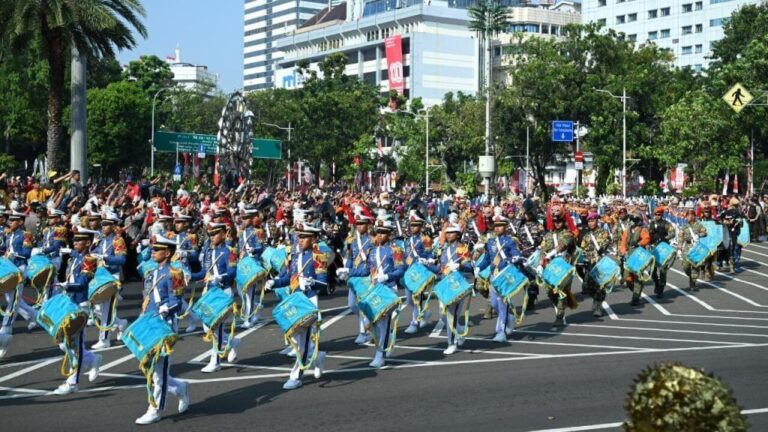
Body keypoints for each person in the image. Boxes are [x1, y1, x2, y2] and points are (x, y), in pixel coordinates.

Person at [134, 235, 190, 425]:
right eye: (153, 248)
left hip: (165, 325)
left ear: (167, 253)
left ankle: (155, 409)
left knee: (159, 371)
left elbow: (177, 301)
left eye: (157, 249)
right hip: (150, 323)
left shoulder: (175, 274)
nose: (153, 252)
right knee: (152, 368)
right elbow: (147, 298)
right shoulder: (150, 273)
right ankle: (180, 388)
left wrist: (167, 308)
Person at [267, 223, 328, 388]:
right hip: (294, 299)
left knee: (304, 340)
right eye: (299, 236)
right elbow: (288, 278)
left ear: (313, 238)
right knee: (295, 337)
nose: (300, 240)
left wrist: (311, 282)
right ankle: (317, 356)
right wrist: (274, 282)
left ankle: (296, 375)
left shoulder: (318, 256)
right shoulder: (293, 256)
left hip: (308, 300)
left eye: (304, 237)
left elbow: (323, 284)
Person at [51, 228, 103, 395]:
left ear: (87, 243)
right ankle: (93, 359)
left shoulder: (89, 260)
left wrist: (67, 286)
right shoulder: (74, 258)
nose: (74, 243)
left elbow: (82, 283)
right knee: (63, 344)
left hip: (80, 305)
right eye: (74, 241)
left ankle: (73, 382)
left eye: (78, 241)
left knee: (76, 345)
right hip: (70, 302)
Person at [190, 222, 239, 373]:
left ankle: (215, 360)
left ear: (224, 234)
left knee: (215, 327)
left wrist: (220, 277)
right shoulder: (209, 252)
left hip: (223, 291)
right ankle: (231, 342)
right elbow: (204, 273)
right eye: (210, 234)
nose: (212, 237)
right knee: (207, 327)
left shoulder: (229, 251)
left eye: (215, 234)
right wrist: (189, 276)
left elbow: (232, 271)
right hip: (210, 292)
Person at [362, 217, 405, 367]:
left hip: (388, 288)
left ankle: (380, 354)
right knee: (371, 322)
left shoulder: (395, 250)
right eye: (378, 232)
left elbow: (400, 270)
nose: (379, 235)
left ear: (389, 234)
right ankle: (384, 346)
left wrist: (387, 276)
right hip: (374, 289)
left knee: (384, 323)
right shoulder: (371, 250)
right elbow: (367, 270)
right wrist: (349, 272)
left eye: (383, 232)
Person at [476, 214, 522, 342]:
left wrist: (514, 258)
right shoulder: (490, 242)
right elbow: (486, 259)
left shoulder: (510, 241)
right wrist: (479, 267)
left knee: (502, 304)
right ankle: (510, 318)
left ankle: (500, 332)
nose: (497, 228)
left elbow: (515, 253)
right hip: (493, 276)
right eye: (495, 225)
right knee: (495, 304)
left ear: (506, 226)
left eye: (500, 225)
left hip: (504, 276)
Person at [89, 212, 128, 349]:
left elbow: (122, 259)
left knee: (106, 309)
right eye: (103, 223)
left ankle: (104, 339)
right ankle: (119, 323)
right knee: (97, 308)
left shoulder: (118, 240)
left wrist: (105, 257)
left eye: (106, 224)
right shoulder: (100, 239)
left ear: (113, 226)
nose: (103, 226)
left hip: (112, 276)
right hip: (100, 275)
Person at [337, 213, 375, 345]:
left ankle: (364, 332)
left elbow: (372, 261)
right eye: (357, 224)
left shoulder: (372, 241)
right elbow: (350, 258)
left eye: (362, 223)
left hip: (365, 276)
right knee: (352, 305)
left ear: (367, 225)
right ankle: (367, 326)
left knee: (363, 305)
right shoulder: (352, 240)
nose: (359, 226)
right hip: (354, 276)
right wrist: (345, 270)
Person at [439, 221, 473, 354]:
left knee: (451, 315)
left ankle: (451, 343)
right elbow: (440, 267)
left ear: (458, 234)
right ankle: (459, 330)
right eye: (447, 232)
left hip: (458, 285)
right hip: (445, 284)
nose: (448, 235)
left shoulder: (462, 248)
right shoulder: (444, 249)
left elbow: (470, 267)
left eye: (452, 232)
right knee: (443, 315)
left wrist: (460, 266)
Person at [540, 208, 576, 330]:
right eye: (555, 221)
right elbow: (543, 250)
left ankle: (559, 316)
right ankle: (561, 307)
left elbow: (563, 245)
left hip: (564, 266)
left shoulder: (567, 234)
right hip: (551, 266)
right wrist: (540, 264)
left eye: (560, 221)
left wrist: (553, 252)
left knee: (562, 291)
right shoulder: (548, 235)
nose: (557, 223)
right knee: (549, 291)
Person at [402, 211, 435, 334]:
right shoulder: (407, 240)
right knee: (409, 299)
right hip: (409, 272)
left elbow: (430, 254)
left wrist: (427, 260)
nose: (412, 227)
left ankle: (414, 323)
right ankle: (424, 312)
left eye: (415, 225)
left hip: (419, 271)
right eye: (411, 225)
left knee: (417, 298)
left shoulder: (425, 239)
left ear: (421, 226)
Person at [237, 207, 265, 329]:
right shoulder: (241, 233)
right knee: (240, 291)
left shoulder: (256, 232)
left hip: (252, 264)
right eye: (242, 218)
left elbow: (261, 247)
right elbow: (238, 248)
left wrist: (254, 250)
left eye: (246, 218)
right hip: (242, 264)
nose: (243, 220)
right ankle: (256, 306)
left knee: (249, 293)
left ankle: (248, 318)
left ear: (251, 219)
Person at [579, 212, 612, 317]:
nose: (591, 223)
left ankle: (598, 305)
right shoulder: (587, 235)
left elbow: (606, 242)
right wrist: (583, 258)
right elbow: (583, 248)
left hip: (600, 263)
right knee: (588, 285)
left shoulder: (603, 232)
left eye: (592, 221)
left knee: (599, 286)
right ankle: (595, 299)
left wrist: (602, 248)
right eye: (589, 221)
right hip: (589, 263)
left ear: (597, 221)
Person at [620, 213, 651, 306]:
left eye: (634, 220)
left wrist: (640, 243)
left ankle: (635, 298)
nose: (631, 221)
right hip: (629, 255)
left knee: (637, 276)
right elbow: (623, 242)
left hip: (639, 255)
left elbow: (647, 238)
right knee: (627, 277)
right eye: (631, 219)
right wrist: (623, 251)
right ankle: (636, 291)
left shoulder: (642, 230)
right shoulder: (627, 230)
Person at [678, 208, 708, 292]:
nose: (689, 217)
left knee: (695, 266)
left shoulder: (698, 225)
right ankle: (691, 276)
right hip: (687, 247)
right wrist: (679, 248)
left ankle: (693, 284)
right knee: (686, 266)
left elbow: (705, 233)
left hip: (696, 247)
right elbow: (680, 237)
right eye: (688, 215)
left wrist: (699, 235)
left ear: (694, 216)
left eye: (691, 215)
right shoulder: (684, 226)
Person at [648, 207, 675, 298]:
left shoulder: (666, 224)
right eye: (656, 214)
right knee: (652, 271)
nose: (658, 216)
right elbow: (648, 235)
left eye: (659, 214)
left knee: (662, 270)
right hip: (653, 248)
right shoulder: (651, 224)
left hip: (663, 249)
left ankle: (661, 289)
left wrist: (665, 238)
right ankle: (656, 282)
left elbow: (673, 233)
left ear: (662, 215)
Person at [718, 198, 743, 274]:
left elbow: (741, 224)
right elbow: (719, 219)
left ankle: (732, 267)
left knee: (731, 249)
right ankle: (719, 263)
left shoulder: (738, 213)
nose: (735, 207)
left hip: (733, 233)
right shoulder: (726, 212)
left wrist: (737, 222)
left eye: (736, 205)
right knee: (723, 248)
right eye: (735, 205)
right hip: (725, 233)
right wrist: (725, 221)